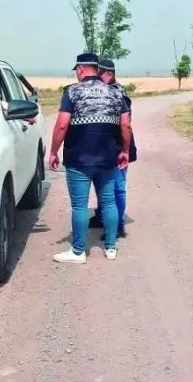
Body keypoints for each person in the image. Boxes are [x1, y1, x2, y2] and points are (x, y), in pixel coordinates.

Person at [48, 53, 132, 264]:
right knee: (109, 202)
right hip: (107, 158)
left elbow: (62, 125)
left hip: (78, 159)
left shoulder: (72, 91)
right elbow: (125, 124)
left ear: (80, 69)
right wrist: (125, 150)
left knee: (80, 205)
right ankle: (110, 247)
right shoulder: (116, 92)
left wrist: (54, 151)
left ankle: (78, 251)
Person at [88, 58, 137, 240]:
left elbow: (125, 124)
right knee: (104, 185)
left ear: (108, 74)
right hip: (104, 147)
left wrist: (123, 150)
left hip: (118, 146)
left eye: (98, 74)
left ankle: (117, 225)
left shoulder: (118, 93)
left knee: (116, 187)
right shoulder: (103, 91)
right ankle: (103, 216)